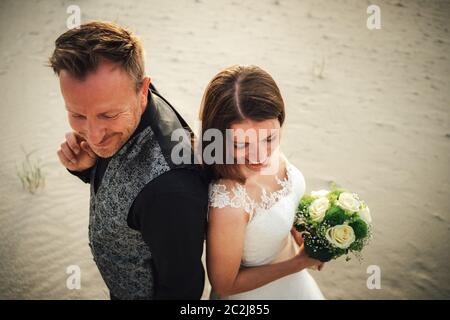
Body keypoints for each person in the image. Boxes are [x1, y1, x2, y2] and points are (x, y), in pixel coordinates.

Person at [49, 21, 208, 299]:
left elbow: (182, 290)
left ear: (143, 89)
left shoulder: (171, 192)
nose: (94, 135)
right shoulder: (127, 99)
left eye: (108, 115)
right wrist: (89, 169)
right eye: (77, 115)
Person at [201, 65, 325, 299]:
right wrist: (299, 263)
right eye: (242, 144)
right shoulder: (229, 202)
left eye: (269, 138)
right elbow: (224, 285)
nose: (260, 156)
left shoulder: (266, 149)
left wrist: (298, 230)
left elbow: (282, 204)